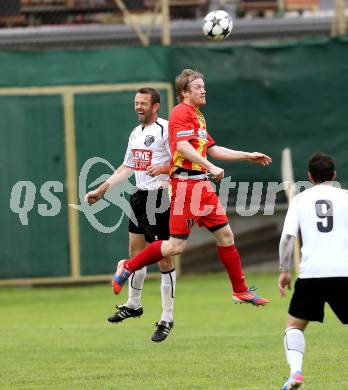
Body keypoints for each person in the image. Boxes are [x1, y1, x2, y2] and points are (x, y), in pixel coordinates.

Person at [112, 68, 272, 307]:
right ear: (185, 92)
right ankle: (128, 266)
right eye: (198, 87)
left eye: (203, 86)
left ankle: (239, 291)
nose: (203, 89)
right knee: (175, 246)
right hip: (186, 186)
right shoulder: (180, 113)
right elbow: (184, 147)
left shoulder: (197, 116)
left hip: (202, 185)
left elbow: (212, 148)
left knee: (226, 235)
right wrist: (212, 167)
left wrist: (247, 155)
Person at [85, 87, 176, 342]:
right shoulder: (136, 133)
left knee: (164, 259)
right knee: (135, 253)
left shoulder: (165, 129)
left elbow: (181, 161)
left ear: (155, 106)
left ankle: (167, 318)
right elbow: (128, 166)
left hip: (160, 198)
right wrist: (102, 190)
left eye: (143, 103)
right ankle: (133, 304)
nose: (138, 107)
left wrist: (163, 169)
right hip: (139, 196)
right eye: (136, 103)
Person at [278, 153, 348, 390]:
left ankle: (296, 373)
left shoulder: (300, 200)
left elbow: (287, 238)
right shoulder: (346, 197)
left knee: (294, 327)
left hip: (311, 274)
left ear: (309, 176)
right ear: (334, 175)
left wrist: (284, 270)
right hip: (343, 272)